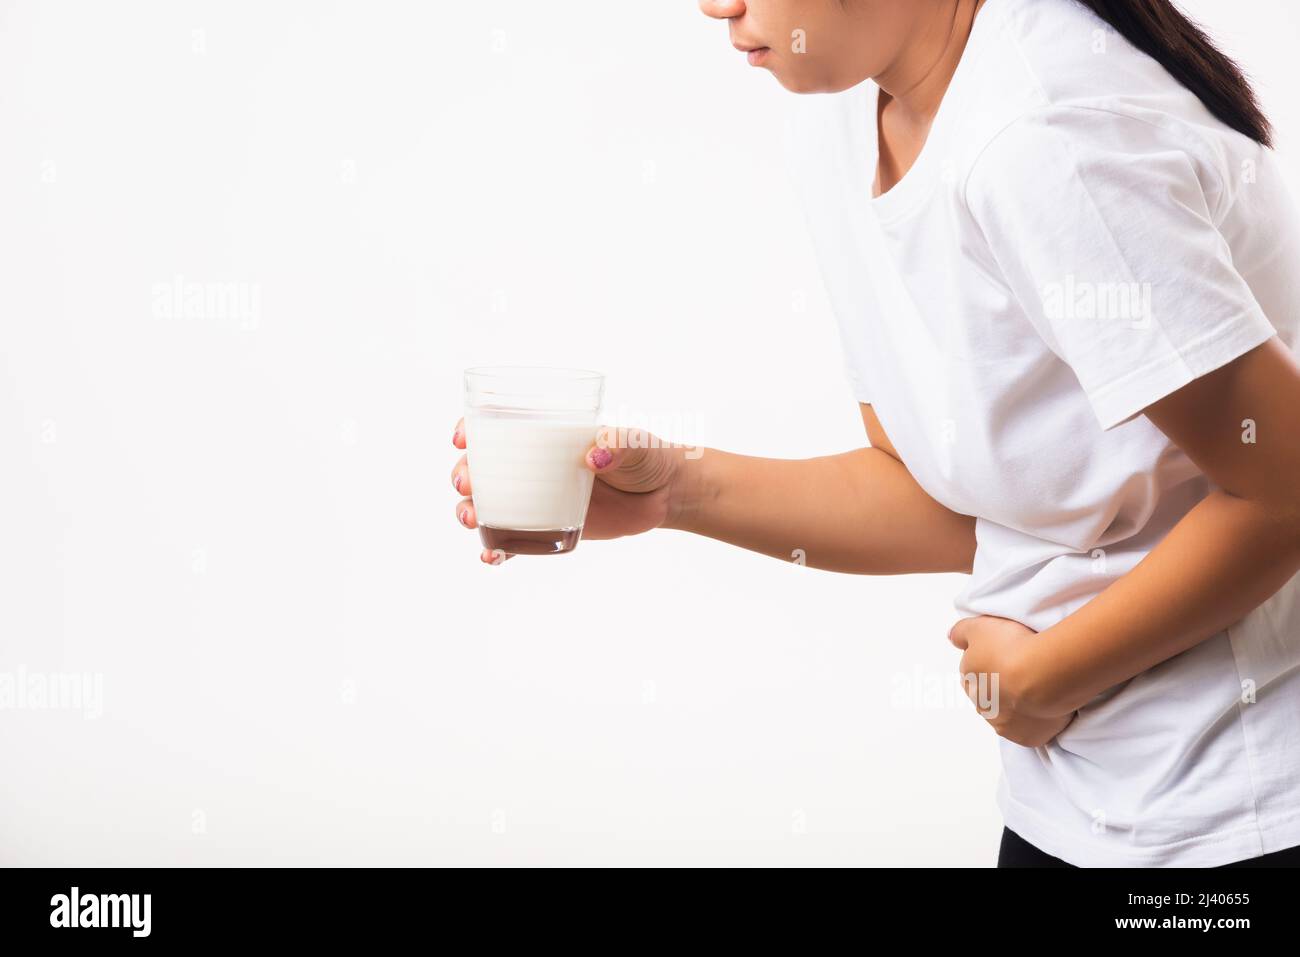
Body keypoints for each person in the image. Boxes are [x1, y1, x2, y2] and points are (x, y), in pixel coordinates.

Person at [452, 0, 1300, 867]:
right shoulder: (843, 119)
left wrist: (1043, 678)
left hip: (1238, 813)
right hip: (1073, 800)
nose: (717, 5)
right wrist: (673, 488)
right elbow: (936, 491)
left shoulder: (1044, 140)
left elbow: (1287, 493)